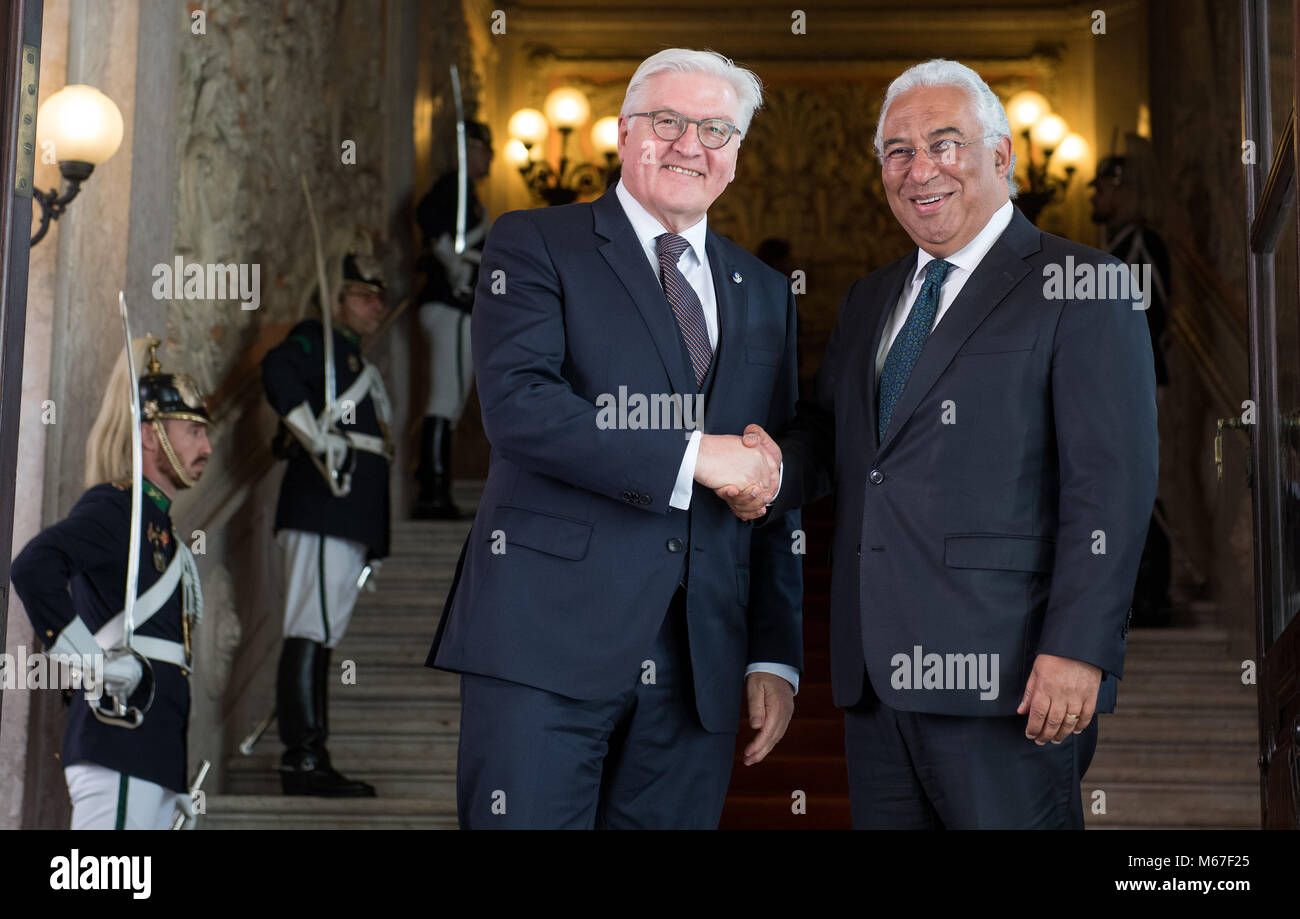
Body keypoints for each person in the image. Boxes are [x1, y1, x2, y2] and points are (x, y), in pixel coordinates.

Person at [727, 59, 1158, 829]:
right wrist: (770, 463)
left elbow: (1111, 486)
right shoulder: (870, 298)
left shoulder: (1084, 286)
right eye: (897, 151)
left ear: (1002, 156)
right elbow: (835, 441)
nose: (919, 168)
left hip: (1013, 679)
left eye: (944, 143)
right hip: (875, 681)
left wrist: (1080, 647)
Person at [427, 48, 802, 829]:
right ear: (625, 132)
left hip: (700, 661)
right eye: (667, 121)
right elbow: (522, 407)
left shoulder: (764, 292)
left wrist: (773, 652)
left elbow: (770, 473)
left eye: (715, 129)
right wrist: (698, 454)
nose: (689, 144)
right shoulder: (534, 242)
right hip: (544, 643)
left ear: (736, 154)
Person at [11, 338, 211, 829]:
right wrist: (90, 663)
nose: (206, 447)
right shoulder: (116, 507)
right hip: (121, 741)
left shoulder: (160, 528)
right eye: (192, 430)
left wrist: (172, 774)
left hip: (149, 753)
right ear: (150, 434)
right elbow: (33, 567)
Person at [262, 252, 393, 797]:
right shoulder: (315, 339)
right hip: (321, 506)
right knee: (309, 632)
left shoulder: (357, 363)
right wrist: (315, 437)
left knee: (322, 634)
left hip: (346, 516)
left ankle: (311, 754)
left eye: (377, 298)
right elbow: (276, 369)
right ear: (334, 301)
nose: (375, 306)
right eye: (361, 296)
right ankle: (303, 758)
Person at [1090, 144, 1173, 626]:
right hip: (1115, 386)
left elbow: (1148, 315)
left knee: (1137, 484)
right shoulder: (1116, 245)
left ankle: (1152, 592)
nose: (1096, 198)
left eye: (1102, 188)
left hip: (1133, 385)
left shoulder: (1136, 243)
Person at [412, 120, 494, 519]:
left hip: (456, 305)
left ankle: (436, 488)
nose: (490, 158)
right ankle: (433, 492)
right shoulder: (453, 187)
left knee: (452, 398)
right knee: (446, 398)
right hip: (450, 304)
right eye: (484, 149)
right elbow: (428, 219)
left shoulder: (471, 196)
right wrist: (454, 264)